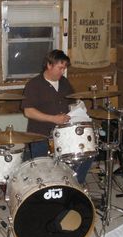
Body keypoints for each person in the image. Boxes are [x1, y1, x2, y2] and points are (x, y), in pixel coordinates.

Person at [21, 49, 93, 184]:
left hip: (65, 133)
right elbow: (28, 111)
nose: (63, 71)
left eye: (64, 68)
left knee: (87, 153)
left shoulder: (64, 82)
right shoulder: (34, 85)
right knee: (44, 173)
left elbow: (72, 102)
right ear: (49, 65)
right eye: (60, 68)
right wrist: (53, 118)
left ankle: (75, 185)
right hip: (41, 135)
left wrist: (79, 108)